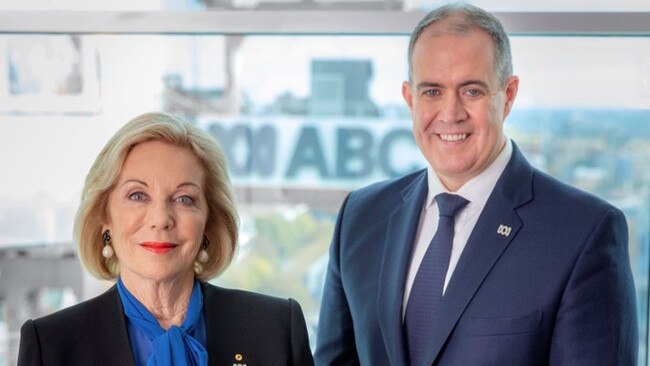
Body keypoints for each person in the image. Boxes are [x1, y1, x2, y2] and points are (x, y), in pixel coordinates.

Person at [315, 4, 637, 366]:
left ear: (509, 94)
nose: (450, 113)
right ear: (409, 98)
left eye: (471, 91)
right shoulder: (360, 217)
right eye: (432, 92)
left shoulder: (583, 232)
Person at [18, 112, 315, 366]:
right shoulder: (52, 345)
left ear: (209, 221)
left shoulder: (275, 328)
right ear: (104, 217)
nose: (161, 219)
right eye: (137, 195)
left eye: (184, 199)